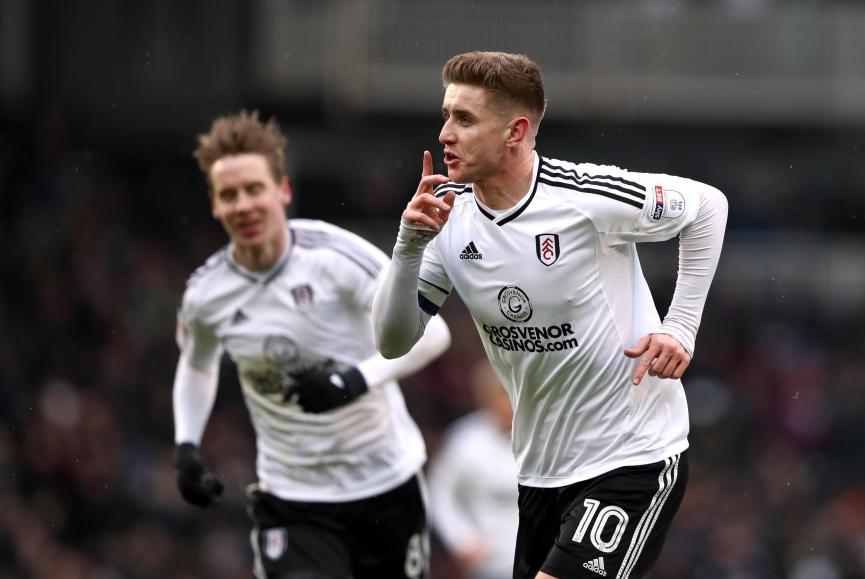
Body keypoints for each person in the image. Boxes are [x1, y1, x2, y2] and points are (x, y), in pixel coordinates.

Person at [372, 51, 728, 579]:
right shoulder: (447, 218)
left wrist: (681, 326)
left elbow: (707, 207)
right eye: (446, 115)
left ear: (516, 131)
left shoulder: (585, 196)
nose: (445, 133)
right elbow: (392, 340)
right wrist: (408, 246)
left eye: (464, 119)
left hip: (631, 455)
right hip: (541, 471)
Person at [171, 110, 450, 579]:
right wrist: (185, 446)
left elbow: (433, 334)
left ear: (283, 191)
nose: (243, 205)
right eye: (228, 194)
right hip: (292, 499)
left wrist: (352, 380)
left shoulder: (336, 257)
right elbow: (197, 365)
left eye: (254, 189)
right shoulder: (205, 293)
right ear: (215, 204)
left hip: (385, 484)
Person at [428, 360, 519, 579]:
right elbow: (440, 493)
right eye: (501, 395)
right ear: (485, 399)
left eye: (512, 395)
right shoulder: (465, 441)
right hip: (489, 563)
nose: (508, 404)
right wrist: (460, 540)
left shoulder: (544, 439)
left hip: (543, 562)